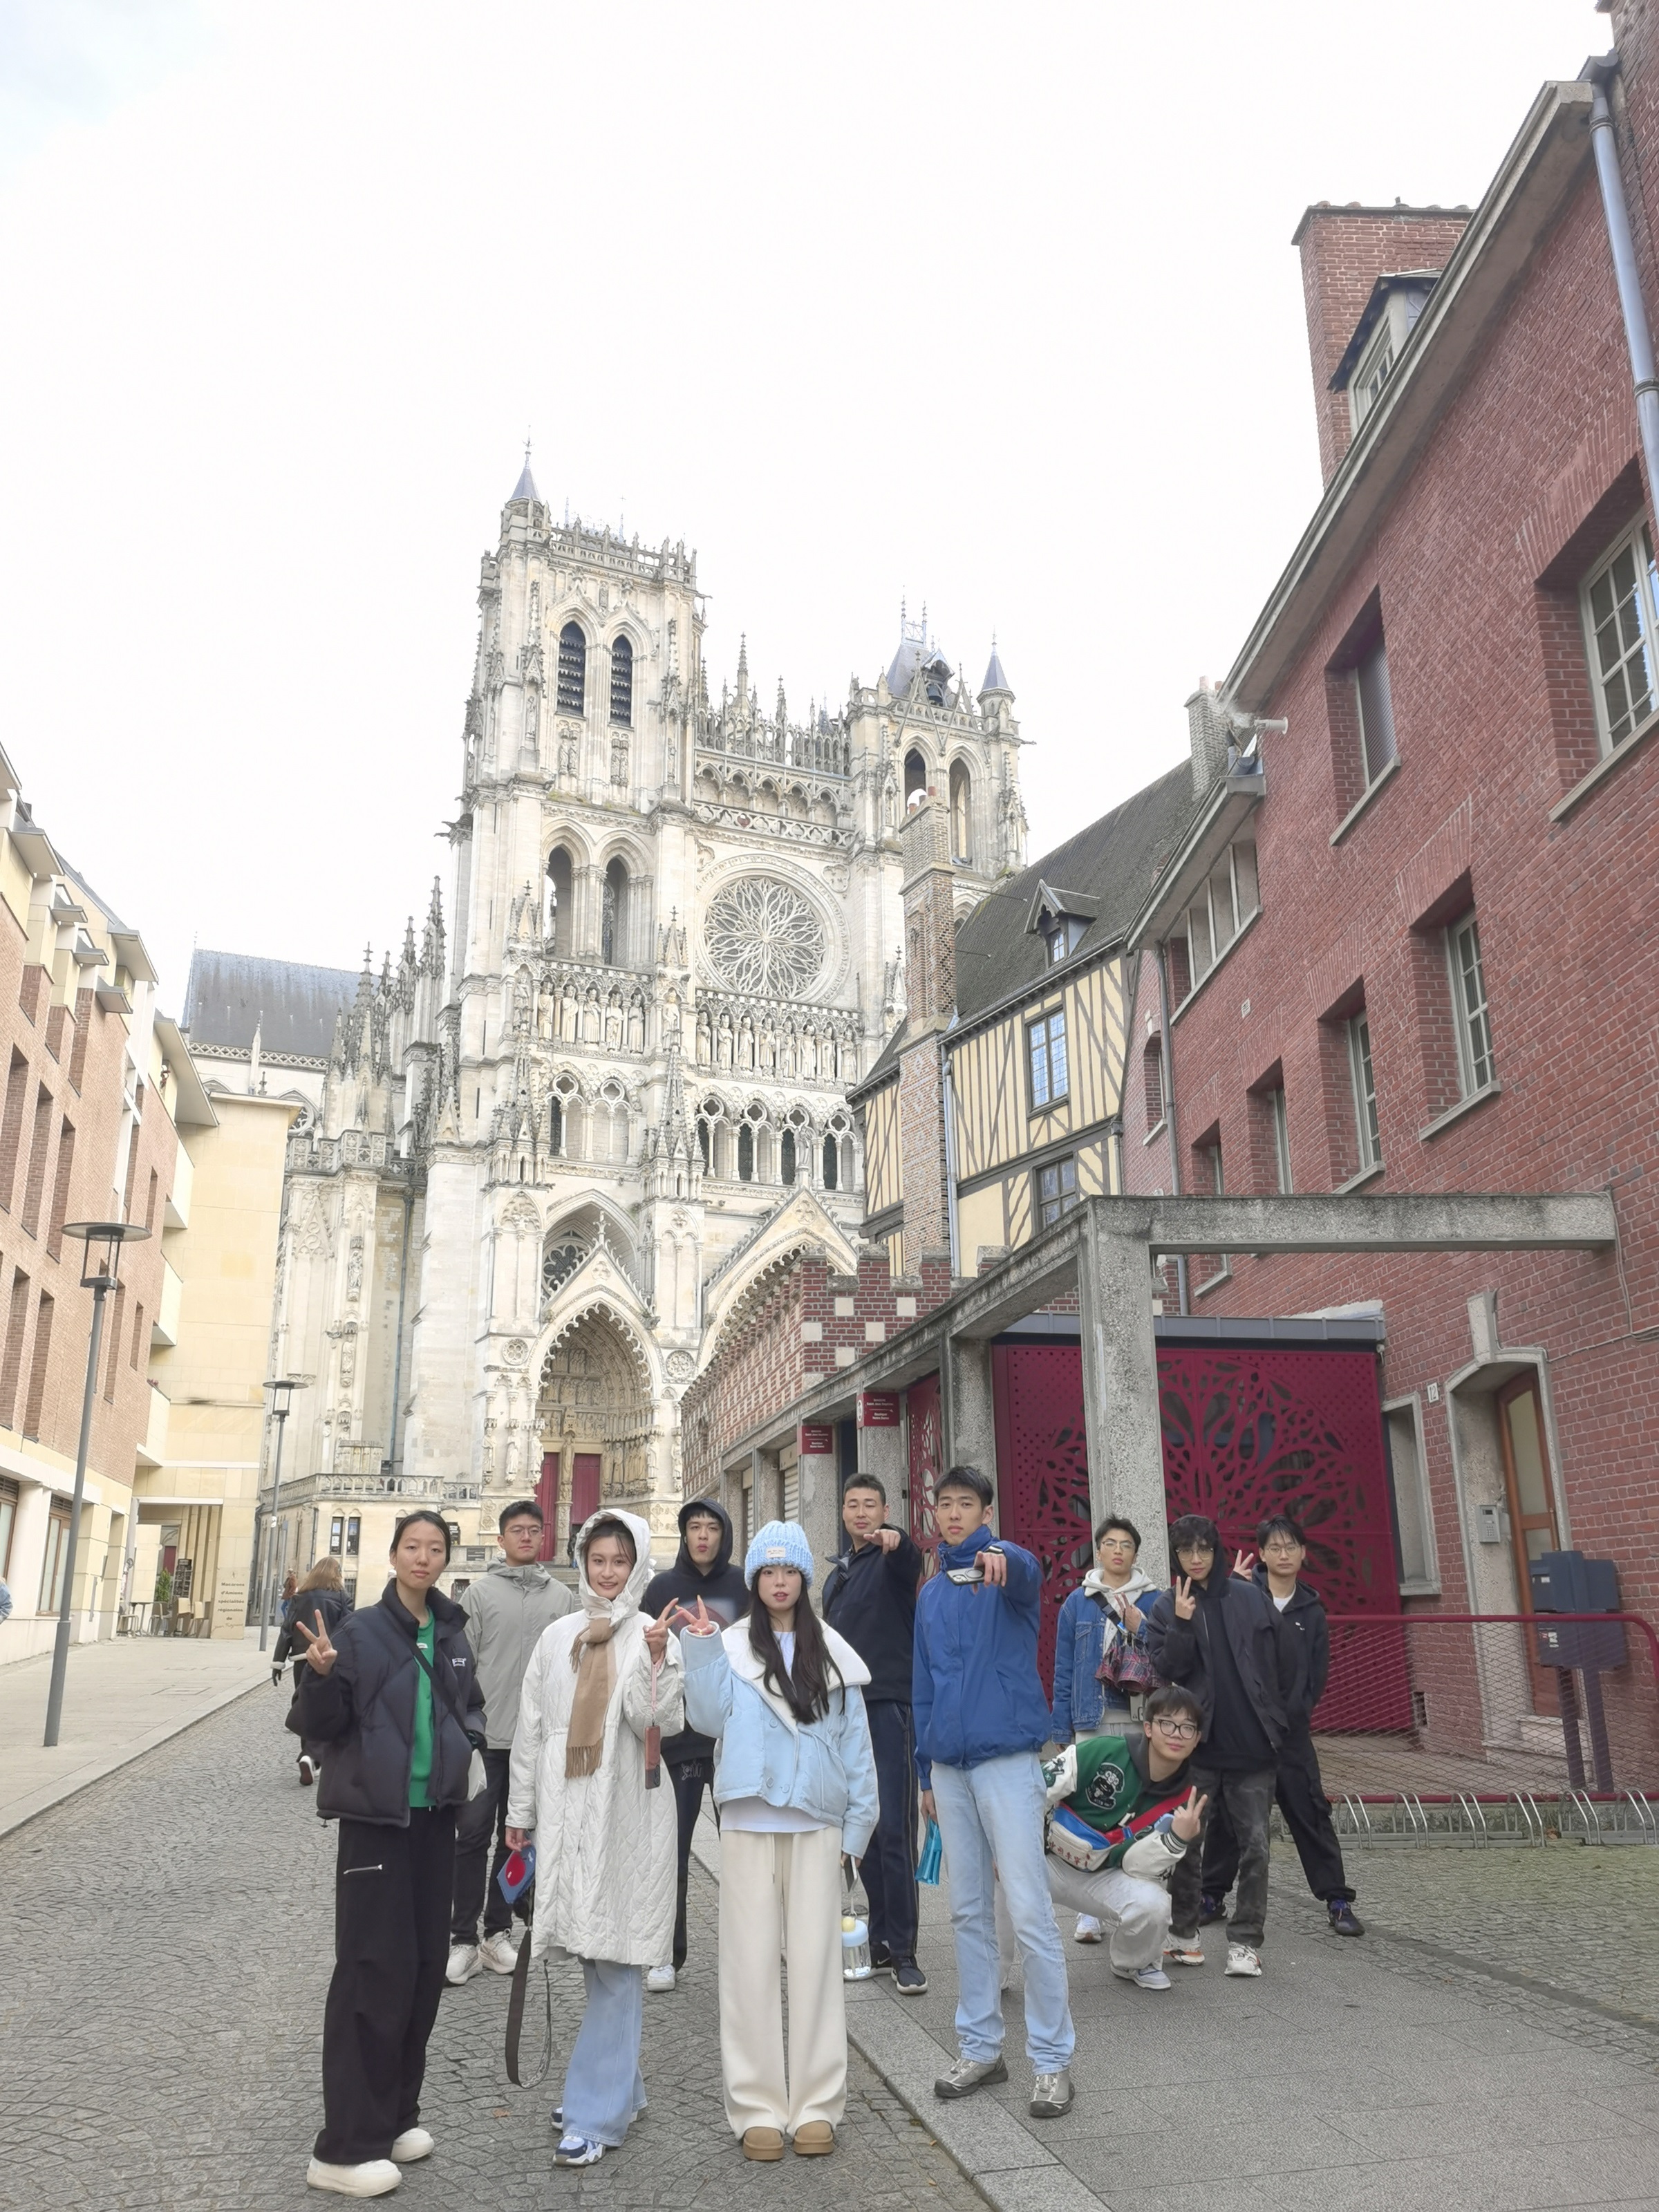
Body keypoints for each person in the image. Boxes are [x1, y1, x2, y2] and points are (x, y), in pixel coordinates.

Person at [289, 1509, 486, 2200]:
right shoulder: (361, 1632)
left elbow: (471, 1706)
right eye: (412, 1546)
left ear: (445, 1558)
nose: (423, 1558)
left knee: (423, 1970)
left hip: (435, 1819)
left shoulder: (452, 1632)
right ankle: (344, 2147)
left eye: (435, 1548)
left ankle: (395, 2117)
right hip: (376, 1822)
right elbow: (321, 1725)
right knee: (372, 1973)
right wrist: (318, 1676)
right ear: (395, 1554)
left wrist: (466, 1744)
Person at [677, 1519, 877, 2162]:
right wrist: (701, 1650)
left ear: (804, 1579)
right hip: (748, 1817)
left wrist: (858, 1827)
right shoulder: (731, 1645)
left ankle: (817, 2104)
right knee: (748, 1966)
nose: (780, 1582)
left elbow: (856, 1747)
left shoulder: (833, 1651)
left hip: (817, 1819)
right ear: (756, 1579)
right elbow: (706, 1719)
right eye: (769, 1571)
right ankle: (756, 2106)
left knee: (817, 1966)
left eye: (790, 1571)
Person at [505, 1510, 683, 2171]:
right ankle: (622, 2088)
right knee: (592, 1950)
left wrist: (658, 1661)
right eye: (599, 1560)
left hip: (626, 1811)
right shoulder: (558, 1636)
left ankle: (593, 2111)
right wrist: (519, 1813)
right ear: (584, 1562)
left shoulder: (651, 1632)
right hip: (565, 1811)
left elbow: (657, 1721)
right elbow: (531, 1728)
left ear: (638, 1567)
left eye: (620, 1562)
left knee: (616, 1956)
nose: (608, 1573)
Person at [914, 1465, 1076, 2121]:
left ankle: (1053, 2060)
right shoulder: (930, 1594)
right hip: (948, 1768)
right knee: (967, 1911)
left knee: (1031, 1912)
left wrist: (1004, 1552)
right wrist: (924, 1773)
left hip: (1007, 1761)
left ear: (986, 1512)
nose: (954, 1514)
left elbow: (1030, 1571)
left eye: (967, 1504)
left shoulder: (1005, 1575)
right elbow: (924, 1687)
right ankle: (981, 2048)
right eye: (945, 1504)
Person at [1145, 1512, 1299, 1980]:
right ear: (1175, 1555)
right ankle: (1184, 1935)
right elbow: (1166, 1670)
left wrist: (1278, 1714)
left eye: (1204, 1549)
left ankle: (1246, 1942)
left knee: (1256, 1847)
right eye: (1186, 1550)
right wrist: (1182, 1624)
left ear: (1217, 1551)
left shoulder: (1248, 1597)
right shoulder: (1166, 1605)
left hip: (1253, 1746)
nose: (1196, 1558)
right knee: (1186, 1845)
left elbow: (1287, 1661)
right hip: (1198, 1748)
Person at [1200, 1514, 1364, 1938]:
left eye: (1291, 1547)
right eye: (1275, 1547)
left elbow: (1315, 1676)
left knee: (1310, 1812)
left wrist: (1293, 1715)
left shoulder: (1311, 1611)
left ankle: (1337, 1899)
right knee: (1228, 1817)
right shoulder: (1239, 1594)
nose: (1284, 1554)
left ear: (1304, 1553)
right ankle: (1211, 1896)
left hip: (1290, 1734)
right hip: (1244, 1732)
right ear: (1262, 1554)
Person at [444, 1499, 575, 1987]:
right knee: (472, 1838)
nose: (525, 1537)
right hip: (489, 1738)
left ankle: (497, 1932)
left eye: (533, 1530)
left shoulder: (563, 1598)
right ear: (501, 1539)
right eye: (516, 1530)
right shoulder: (479, 1595)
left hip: (537, 1742)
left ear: (543, 1537)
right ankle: (462, 1937)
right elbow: (462, 1666)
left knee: (518, 1841)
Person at [821, 1473, 928, 1993]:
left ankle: (904, 1949)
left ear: (885, 1510)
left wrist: (897, 1539)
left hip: (888, 1707)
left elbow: (910, 1558)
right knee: (860, 1827)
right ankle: (880, 1937)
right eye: (852, 1504)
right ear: (842, 1512)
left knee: (893, 1830)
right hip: (843, 1711)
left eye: (870, 1505)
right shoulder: (836, 1576)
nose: (861, 1513)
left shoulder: (891, 1559)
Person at [639, 1496, 750, 1991]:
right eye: (695, 1527)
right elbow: (643, 1657)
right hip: (678, 1739)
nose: (703, 1535)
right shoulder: (663, 1588)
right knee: (672, 1853)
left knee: (744, 1852)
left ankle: (750, 1950)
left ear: (725, 1534)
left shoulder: (742, 1585)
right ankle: (666, 1954)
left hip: (731, 1736)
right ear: (684, 1535)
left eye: (712, 1527)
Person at [1040, 1685, 1208, 1989]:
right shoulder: (1104, 1751)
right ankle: (992, 1974)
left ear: (1197, 1739)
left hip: (1106, 1875)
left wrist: (1177, 1841)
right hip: (1047, 1859)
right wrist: (1011, 1849)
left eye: (1187, 1728)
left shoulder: (1188, 1801)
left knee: (1154, 1905)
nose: (1176, 1734)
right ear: (1148, 1727)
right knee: (996, 1875)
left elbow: (1136, 1867)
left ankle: (1133, 1963)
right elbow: (1036, 1789)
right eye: (1167, 1723)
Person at [1049, 1514, 1161, 1946]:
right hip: (1090, 1717)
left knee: (1132, 1810)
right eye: (1110, 1544)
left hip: (1136, 1716)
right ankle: (1087, 1913)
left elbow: (1172, 1654)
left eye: (1126, 1545)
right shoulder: (1078, 1603)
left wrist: (1142, 1627)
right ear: (1098, 1551)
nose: (1118, 1551)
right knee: (1086, 1810)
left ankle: (1130, 1901)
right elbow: (1063, 1668)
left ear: (1135, 1553)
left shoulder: (1154, 1600)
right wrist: (1061, 1727)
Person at [273, 1557, 353, 1788]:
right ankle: (313, 1756)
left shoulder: (299, 1598)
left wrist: (278, 1662)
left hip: (303, 1658)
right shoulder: (342, 1598)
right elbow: (349, 1629)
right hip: (330, 1659)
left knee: (305, 1704)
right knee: (328, 1706)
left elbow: (287, 1631)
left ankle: (307, 1754)